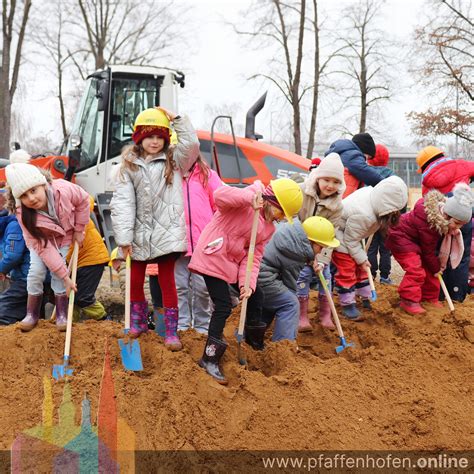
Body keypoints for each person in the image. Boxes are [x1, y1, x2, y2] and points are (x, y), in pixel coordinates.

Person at [189, 178, 303, 384]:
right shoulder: (246, 200)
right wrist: (249, 198)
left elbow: (253, 258)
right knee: (223, 305)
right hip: (213, 255)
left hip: (230, 264)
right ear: (271, 202)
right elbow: (220, 197)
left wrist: (246, 284)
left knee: (256, 294)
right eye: (281, 213)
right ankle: (210, 357)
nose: (280, 219)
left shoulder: (268, 229)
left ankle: (252, 340)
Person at [110, 106, 200, 350]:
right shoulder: (129, 165)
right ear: (140, 137)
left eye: (160, 136)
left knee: (167, 280)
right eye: (149, 136)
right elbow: (124, 202)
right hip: (139, 233)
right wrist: (124, 239)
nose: (154, 141)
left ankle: (172, 331)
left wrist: (177, 119)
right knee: (135, 279)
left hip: (167, 232)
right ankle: (138, 323)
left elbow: (191, 145)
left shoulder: (174, 159)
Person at [5, 163, 90, 331]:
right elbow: (43, 247)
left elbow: (83, 200)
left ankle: (61, 315)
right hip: (41, 241)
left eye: (33, 190)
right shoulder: (23, 214)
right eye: (24, 195)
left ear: (43, 184)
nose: (31, 198)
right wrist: (66, 277)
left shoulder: (63, 190)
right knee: (36, 271)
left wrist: (79, 229)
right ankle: (32, 314)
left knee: (58, 274)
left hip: (64, 236)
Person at [386, 183, 474, 314]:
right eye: (456, 223)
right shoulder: (430, 223)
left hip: (415, 241)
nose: (458, 228)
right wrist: (436, 268)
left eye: (461, 225)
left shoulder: (443, 221)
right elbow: (428, 252)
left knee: (431, 270)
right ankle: (408, 300)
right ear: (447, 215)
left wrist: (435, 269)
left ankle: (430, 298)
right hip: (400, 237)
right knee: (416, 269)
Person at [332, 176, 408, 320]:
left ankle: (365, 296)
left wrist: (361, 260)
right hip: (338, 233)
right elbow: (350, 240)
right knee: (348, 267)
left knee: (362, 267)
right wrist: (361, 259)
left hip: (351, 233)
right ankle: (347, 303)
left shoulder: (374, 197)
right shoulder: (366, 215)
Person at [260, 216, 340, 342]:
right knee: (290, 303)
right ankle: (284, 346)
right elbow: (292, 286)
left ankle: (252, 337)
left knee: (275, 301)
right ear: (310, 242)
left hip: (260, 273)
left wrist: (311, 259)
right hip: (262, 277)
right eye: (320, 247)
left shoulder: (293, 237)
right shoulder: (295, 253)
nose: (321, 252)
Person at [295, 153, 345, 331]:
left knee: (326, 276)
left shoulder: (337, 206)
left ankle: (325, 314)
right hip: (297, 247)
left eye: (336, 182)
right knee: (303, 276)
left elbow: (330, 237)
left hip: (320, 249)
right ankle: (301, 315)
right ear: (318, 177)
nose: (330, 185)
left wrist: (322, 260)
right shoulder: (301, 192)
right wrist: (306, 255)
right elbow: (292, 224)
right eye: (326, 180)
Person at [417, 145, 474, 302]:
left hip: (443, 220)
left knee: (440, 254)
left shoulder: (426, 182)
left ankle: (440, 294)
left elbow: (428, 203)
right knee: (461, 256)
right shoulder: (460, 165)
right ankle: (457, 294)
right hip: (464, 215)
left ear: (424, 165)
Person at [176, 154, 223, 334]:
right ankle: (182, 325)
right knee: (179, 286)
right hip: (179, 244)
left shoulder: (207, 175)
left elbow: (220, 205)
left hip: (204, 244)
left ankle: (202, 326)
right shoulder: (170, 176)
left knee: (202, 288)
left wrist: (216, 233)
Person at [65, 197, 110, 321]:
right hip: (80, 259)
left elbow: (87, 199)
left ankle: (105, 320)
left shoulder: (76, 213)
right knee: (72, 296)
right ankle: (70, 323)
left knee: (83, 297)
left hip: (92, 258)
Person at [0, 186, 31, 325]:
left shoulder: (15, 224)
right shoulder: (21, 221)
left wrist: (2, 269)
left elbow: (13, 255)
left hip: (26, 278)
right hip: (32, 277)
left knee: (3, 312)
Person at [367, 144, 395, 284]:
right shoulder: (391, 175)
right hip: (387, 216)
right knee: (385, 249)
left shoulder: (366, 173)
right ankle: (385, 277)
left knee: (371, 247)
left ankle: (370, 275)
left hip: (371, 215)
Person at [325, 132, 383, 198]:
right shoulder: (353, 156)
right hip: (342, 198)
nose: (366, 161)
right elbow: (365, 171)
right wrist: (384, 182)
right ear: (363, 150)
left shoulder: (342, 152)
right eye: (367, 157)